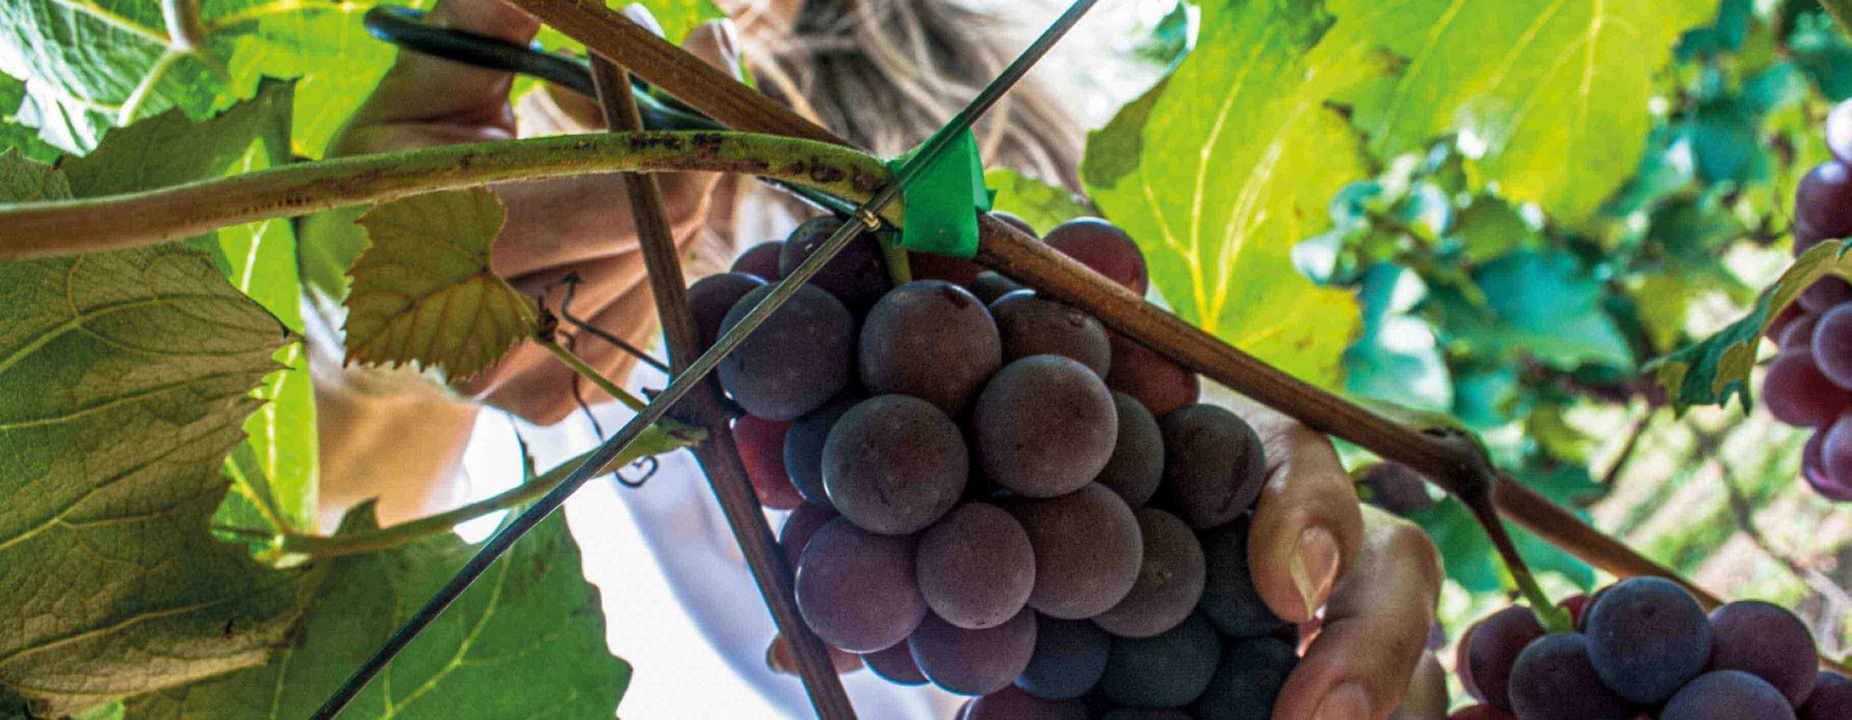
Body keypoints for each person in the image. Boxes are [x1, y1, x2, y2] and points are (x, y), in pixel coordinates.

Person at [309, 0, 1445, 717]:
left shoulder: (1038, 125)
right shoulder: (613, 280)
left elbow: (1148, 436)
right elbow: (339, 546)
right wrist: (372, 330)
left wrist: (1272, 530)